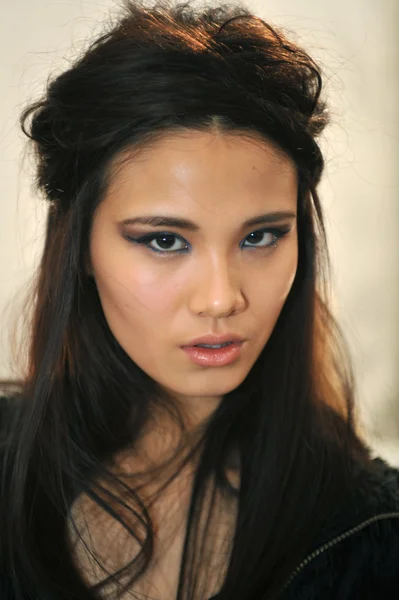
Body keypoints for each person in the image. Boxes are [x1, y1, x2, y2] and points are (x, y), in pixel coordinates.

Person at [1, 1, 398, 599]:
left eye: (260, 236)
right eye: (164, 240)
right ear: (79, 246)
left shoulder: (372, 537)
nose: (222, 299)